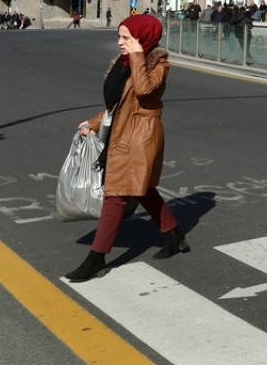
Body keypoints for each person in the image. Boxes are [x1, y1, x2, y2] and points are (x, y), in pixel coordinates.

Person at [65, 14, 186, 282]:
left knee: (116, 195)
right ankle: (173, 233)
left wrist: (138, 55)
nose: (120, 42)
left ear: (142, 40)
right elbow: (117, 104)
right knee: (142, 190)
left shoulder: (158, 64)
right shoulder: (122, 64)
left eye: (126, 38)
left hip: (139, 138)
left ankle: (97, 257)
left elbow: (144, 91)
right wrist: (95, 122)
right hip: (122, 133)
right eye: (119, 37)